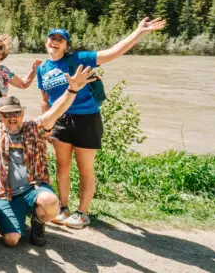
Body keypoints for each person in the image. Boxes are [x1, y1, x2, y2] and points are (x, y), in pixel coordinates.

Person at [40, 18, 166, 229]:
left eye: (60, 40)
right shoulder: (42, 68)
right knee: (62, 167)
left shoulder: (81, 58)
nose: (55, 42)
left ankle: (82, 213)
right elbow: (45, 98)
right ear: (46, 42)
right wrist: (47, 125)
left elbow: (113, 52)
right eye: (52, 38)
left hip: (87, 118)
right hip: (59, 120)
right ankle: (63, 208)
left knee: (85, 169)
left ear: (66, 45)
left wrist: (138, 32)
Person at [0, 65, 97, 247]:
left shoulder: (35, 128)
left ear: (22, 113)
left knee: (49, 202)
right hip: (7, 195)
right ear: (0, 116)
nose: (12, 118)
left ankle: (38, 222)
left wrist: (72, 89)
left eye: (16, 113)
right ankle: (15, 223)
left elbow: (56, 110)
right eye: (7, 114)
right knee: (11, 241)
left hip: (35, 189)